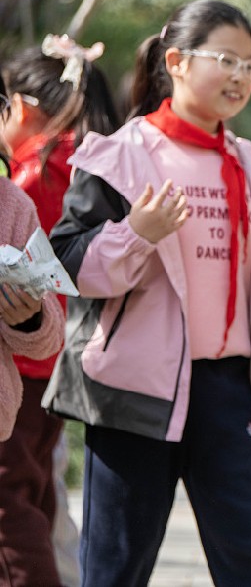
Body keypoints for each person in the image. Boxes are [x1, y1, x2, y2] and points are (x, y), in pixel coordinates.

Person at [42, 0, 251, 586]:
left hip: (224, 390)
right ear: (178, 61)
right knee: (115, 565)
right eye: (226, 60)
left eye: (250, 66)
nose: (240, 76)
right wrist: (136, 235)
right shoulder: (121, 156)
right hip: (133, 392)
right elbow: (70, 266)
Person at [0, 35, 118, 586]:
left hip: (20, 365)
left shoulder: (28, 176)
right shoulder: (93, 158)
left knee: (11, 513)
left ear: (18, 107)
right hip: (61, 355)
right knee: (38, 498)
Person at [0, 75, 67, 584]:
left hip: (25, 387)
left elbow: (49, 326)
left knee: (19, 518)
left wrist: (27, 315)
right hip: (41, 384)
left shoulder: (13, 202)